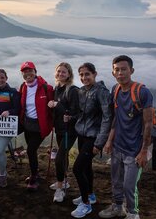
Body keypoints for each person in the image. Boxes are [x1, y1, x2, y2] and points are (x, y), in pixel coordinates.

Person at [99, 55, 153, 219]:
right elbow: (117, 117)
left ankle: (132, 213)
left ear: (131, 70)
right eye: (117, 70)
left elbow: (148, 123)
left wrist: (144, 151)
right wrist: (109, 140)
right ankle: (117, 207)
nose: (120, 73)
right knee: (116, 181)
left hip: (135, 149)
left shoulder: (142, 92)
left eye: (124, 69)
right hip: (118, 146)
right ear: (113, 72)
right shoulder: (115, 89)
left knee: (129, 187)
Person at [70, 63, 112, 218]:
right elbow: (83, 114)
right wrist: (71, 118)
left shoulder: (102, 92)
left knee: (77, 168)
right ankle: (90, 195)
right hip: (82, 134)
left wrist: (99, 143)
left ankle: (86, 204)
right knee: (86, 167)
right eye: (81, 74)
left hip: (93, 137)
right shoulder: (82, 91)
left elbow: (107, 118)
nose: (84, 77)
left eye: (87, 74)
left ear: (95, 74)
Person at [18, 61, 54, 191]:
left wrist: (54, 122)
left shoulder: (46, 88)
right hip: (28, 125)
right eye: (25, 71)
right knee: (31, 151)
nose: (28, 74)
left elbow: (52, 107)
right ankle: (35, 173)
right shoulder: (23, 87)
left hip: (41, 126)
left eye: (30, 71)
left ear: (35, 72)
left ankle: (34, 177)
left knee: (30, 150)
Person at [47, 62, 79, 202]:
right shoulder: (57, 88)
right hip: (60, 129)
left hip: (69, 131)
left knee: (59, 158)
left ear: (69, 74)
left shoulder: (72, 90)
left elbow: (74, 111)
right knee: (63, 155)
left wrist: (57, 105)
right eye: (59, 71)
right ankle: (64, 181)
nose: (60, 74)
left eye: (64, 72)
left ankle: (60, 188)